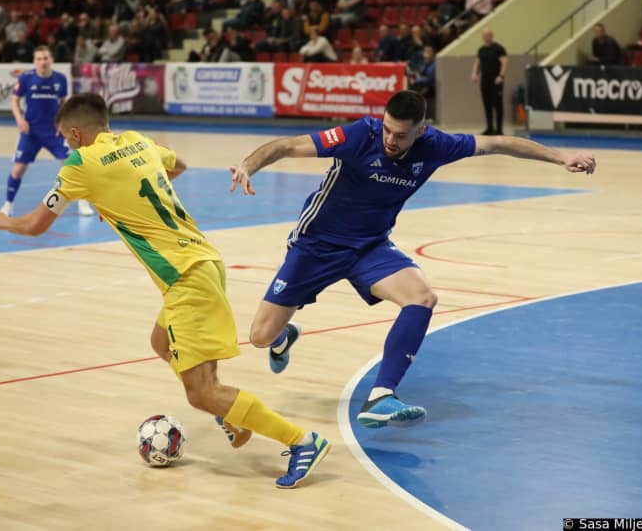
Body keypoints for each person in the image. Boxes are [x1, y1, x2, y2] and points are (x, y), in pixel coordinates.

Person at [0, 93, 331, 489]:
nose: (65, 145)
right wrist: (123, 196)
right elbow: (179, 165)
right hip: (202, 262)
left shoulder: (80, 163)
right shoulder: (137, 140)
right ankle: (232, 415)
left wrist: (3, 221)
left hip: (186, 279)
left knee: (201, 393)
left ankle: (302, 441)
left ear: (76, 134)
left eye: (64, 137)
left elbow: (35, 225)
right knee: (161, 342)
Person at [228, 90, 596, 429]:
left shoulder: (436, 145)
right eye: (387, 129)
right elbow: (287, 145)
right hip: (317, 246)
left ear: (420, 130)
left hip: (369, 247)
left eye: (401, 135)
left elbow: (499, 143)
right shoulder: (359, 135)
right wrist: (248, 165)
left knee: (422, 297)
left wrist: (563, 158)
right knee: (260, 336)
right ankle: (282, 337)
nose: (390, 139)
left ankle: (381, 396)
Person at [0, 46, 94, 217]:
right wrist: (19, 119)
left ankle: (83, 202)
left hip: (54, 132)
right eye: (39, 59)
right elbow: (14, 99)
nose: (42, 62)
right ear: (34, 61)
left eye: (45, 58)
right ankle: (8, 204)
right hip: (31, 132)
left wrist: (64, 123)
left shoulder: (60, 79)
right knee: (18, 169)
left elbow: (64, 103)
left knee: (72, 165)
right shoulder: (26, 78)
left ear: (51, 60)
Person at [471, 28, 507, 135]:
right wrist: (474, 74)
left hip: (496, 81)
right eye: (484, 35)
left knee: (498, 105)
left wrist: (501, 76)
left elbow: (504, 62)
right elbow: (477, 62)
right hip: (485, 81)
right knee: (487, 104)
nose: (486, 37)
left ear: (492, 35)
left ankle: (499, 129)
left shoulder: (499, 48)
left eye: (488, 35)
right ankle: (490, 128)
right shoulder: (481, 49)